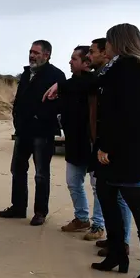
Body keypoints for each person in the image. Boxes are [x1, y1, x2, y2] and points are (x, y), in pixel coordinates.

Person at [45, 23, 140, 278]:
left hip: (126, 149)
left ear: (119, 42)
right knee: (107, 196)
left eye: (109, 41)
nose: (105, 46)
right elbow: (92, 84)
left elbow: (126, 115)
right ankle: (116, 253)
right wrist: (61, 86)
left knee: (137, 201)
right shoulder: (116, 68)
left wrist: (107, 147)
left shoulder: (131, 68)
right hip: (113, 146)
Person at [0, 40, 66, 226]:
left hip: (42, 133)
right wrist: (17, 119)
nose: (32, 55)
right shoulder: (26, 73)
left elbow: (59, 105)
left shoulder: (56, 75)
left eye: (36, 52)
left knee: (41, 174)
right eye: (31, 51)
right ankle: (18, 207)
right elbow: (19, 100)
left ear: (47, 55)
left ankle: (40, 212)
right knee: (17, 169)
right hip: (23, 131)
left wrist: (38, 118)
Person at [88, 38, 133, 257]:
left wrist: (106, 146)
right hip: (104, 142)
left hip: (117, 146)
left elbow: (117, 114)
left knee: (120, 196)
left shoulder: (119, 74)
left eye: (93, 51)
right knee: (107, 193)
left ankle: (122, 243)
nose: (91, 56)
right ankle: (114, 240)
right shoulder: (103, 75)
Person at [58, 46, 105, 241]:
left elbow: (85, 86)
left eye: (74, 59)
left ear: (86, 63)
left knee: (97, 186)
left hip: (92, 142)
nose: (70, 62)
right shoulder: (68, 85)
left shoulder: (95, 82)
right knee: (73, 182)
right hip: (73, 141)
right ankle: (81, 217)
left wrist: (58, 86)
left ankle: (98, 224)